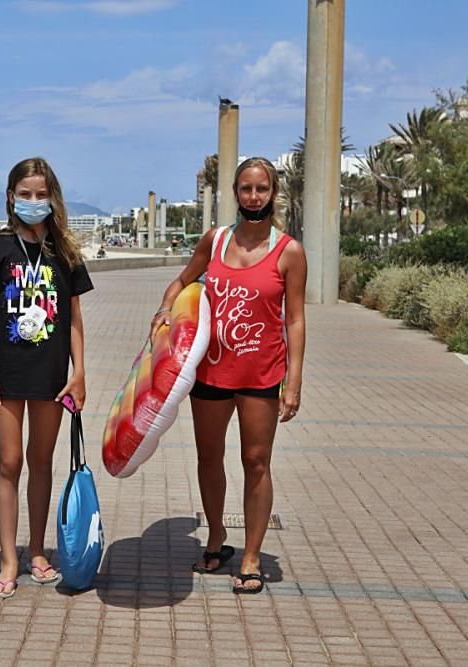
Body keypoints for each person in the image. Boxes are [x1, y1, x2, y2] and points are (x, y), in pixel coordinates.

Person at [149, 157, 306, 595]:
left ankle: (252, 556)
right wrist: (165, 310)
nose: (253, 197)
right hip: (210, 372)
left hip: (262, 373)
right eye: (246, 189)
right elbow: (181, 282)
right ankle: (217, 536)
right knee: (209, 456)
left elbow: (295, 319)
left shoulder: (289, 252)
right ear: (235, 193)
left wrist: (293, 381)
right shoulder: (215, 241)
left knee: (256, 461)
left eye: (261, 189)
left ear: (273, 193)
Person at [0, 157, 93, 599]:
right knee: (9, 462)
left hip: (51, 375)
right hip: (5, 374)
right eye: (25, 194)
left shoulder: (65, 253)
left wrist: (79, 373)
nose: (33, 201)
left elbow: (75, 319)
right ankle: (9, 559)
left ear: (52, 198)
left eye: (41, 194)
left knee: (41, 461)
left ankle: (38, 551)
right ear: (11, 197)